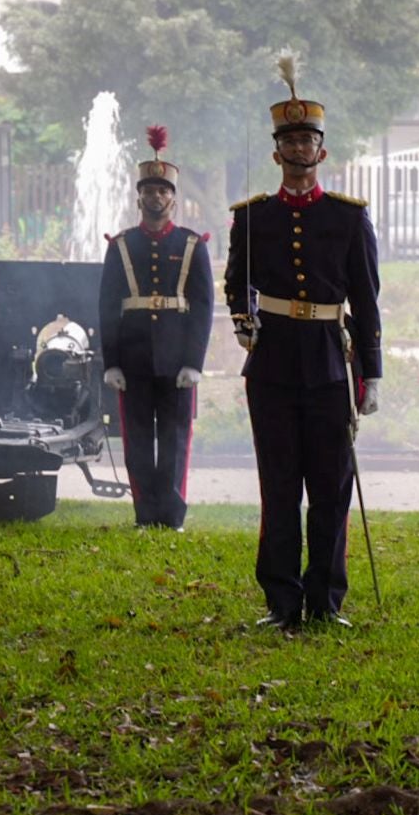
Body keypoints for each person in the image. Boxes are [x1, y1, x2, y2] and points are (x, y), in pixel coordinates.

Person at [224, 55, 382, 631]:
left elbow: (366, 299)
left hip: (327, 363)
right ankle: (281, 602)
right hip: (271, 366)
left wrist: (371, 373)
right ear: (276, 153)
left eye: (307, 139)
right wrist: (243, 320)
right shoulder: (253, 216)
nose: (298, 149)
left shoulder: (347, 218)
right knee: (279, 487)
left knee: (332, 488)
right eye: (288, 140)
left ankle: (326, 600)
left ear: (322, 151)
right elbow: (235, 279)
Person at [99, 125, 214, 531]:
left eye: (163, 190)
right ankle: (145, 514)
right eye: (149, 190)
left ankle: (172, 514)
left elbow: (203, 307)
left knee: (175, 439)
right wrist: (110, 363)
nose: (156, 196)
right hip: (131, 358)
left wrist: (194, 363)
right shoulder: (121, 246)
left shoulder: (192, 245)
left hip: (176, 358)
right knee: (136, 443)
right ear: (139, 197)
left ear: (174, 199)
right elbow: (107, 308)